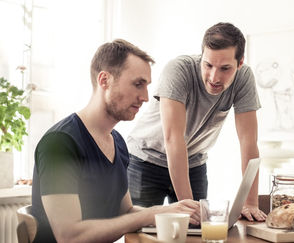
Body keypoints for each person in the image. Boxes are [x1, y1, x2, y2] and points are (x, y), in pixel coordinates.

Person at [31, 39, 200, 243]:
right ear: (105, 80)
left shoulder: (117, 142)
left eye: (146, 86)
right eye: (138, 84)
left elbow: (126, 211)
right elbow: (70, 236)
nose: (146, 97)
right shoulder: (60, 143)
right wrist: (152, 213)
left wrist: (170, 212)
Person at [127, 22, 267, 222]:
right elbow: (173, 139)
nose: (214, 77)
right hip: (146, 160)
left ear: (240, 62)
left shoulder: (243, 79)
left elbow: (248, 142)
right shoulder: (178, 70)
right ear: (202, 56)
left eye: (225, 68)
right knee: (142, 231)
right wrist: (189, 208)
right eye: (208, 65)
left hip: (193, 162)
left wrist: (251, 202)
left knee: (196, 231)